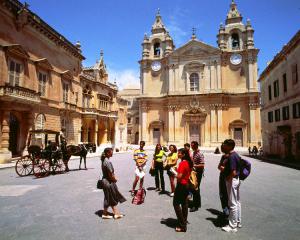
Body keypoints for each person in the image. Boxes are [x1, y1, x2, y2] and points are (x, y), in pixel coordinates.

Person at [221, 139, 242, 233]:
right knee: (237, 202)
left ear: (229, 146)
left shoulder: (232, 156)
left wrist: (228, 179)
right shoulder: (236, 155)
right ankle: (237, 221)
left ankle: (232, 226)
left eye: (224, 145)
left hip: (232, 180)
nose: (223, 146)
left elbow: (233, 172)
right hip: (236, 179)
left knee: (232, 203)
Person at [100, 148, 126, 219]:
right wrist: (114, 180)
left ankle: (105, 213)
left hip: (105, 181)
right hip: (108, 181)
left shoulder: (104, 160)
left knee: (107, 197)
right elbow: (110, 174)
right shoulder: (107, 162)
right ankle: (116, 214)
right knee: (111, 197)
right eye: (111, 152)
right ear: (108, 153)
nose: (112, 153)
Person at [173, 148, 193, 232]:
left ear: (184, 154)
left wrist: (174, 173)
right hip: (186, 184)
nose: (178, 154)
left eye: (179, 153)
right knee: (184, 204)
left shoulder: (182, 163)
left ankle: (182, 225)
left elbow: (179, 176)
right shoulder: (189, 162)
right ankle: (184, 221)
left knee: (176, 204)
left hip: (181, 185)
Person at [190, 141, 205, 212]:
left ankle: (195, 206)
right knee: (196, 188)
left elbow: (202, 165)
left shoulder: (200, 154)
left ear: (196, 146)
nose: (191, 147)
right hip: (194, 172)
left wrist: (194, 165)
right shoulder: (194, 153)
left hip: (198, 173)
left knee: (195, 188)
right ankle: (198, 203)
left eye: (192, 146)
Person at [217, 143, 229, 216]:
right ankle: (225, 209)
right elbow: (219, 167)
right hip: (222, 177)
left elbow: (232, 170)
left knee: (227, 194)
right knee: (222, 193)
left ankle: (229, 211)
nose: (221, 149)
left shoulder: (231, 157)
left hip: (228, 178)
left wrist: (224, 168)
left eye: (222, 148)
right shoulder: (223, 157)